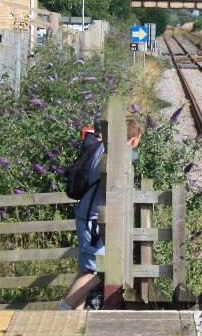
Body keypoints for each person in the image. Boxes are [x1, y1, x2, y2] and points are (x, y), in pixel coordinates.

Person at [60, 117, 143, 310]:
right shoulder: (115, 156)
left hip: (89, 214)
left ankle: (74, 317)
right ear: (134, 139)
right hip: (95, 218)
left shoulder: (102, 148)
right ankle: (63, 311)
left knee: (88, 269)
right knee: (96, 270)